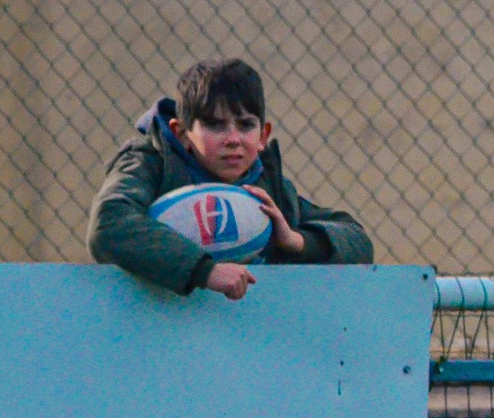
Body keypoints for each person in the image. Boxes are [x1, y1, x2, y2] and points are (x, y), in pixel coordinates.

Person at [87, 58, 373, 300]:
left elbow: (358, 242)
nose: (233, 139)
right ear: (181, 133)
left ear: (263, 136)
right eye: (215, 124)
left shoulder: (268, 189)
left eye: (246, 125)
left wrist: (296, 240)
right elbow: (109, 224)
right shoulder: (150, 162)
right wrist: (205, 271)